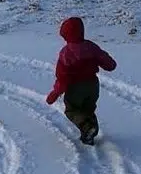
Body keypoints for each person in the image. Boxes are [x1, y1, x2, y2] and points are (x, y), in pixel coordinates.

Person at [46, 16, 116, 145]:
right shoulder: (91, 46)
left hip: (76, 87)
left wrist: (55, 93)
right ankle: (90, 133)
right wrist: (110, 64)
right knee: (88, 110)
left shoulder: (66, 53)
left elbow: (62, 77)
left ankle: (88, 128)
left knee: (72, 110)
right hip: (93, 85)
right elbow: (108, 62)